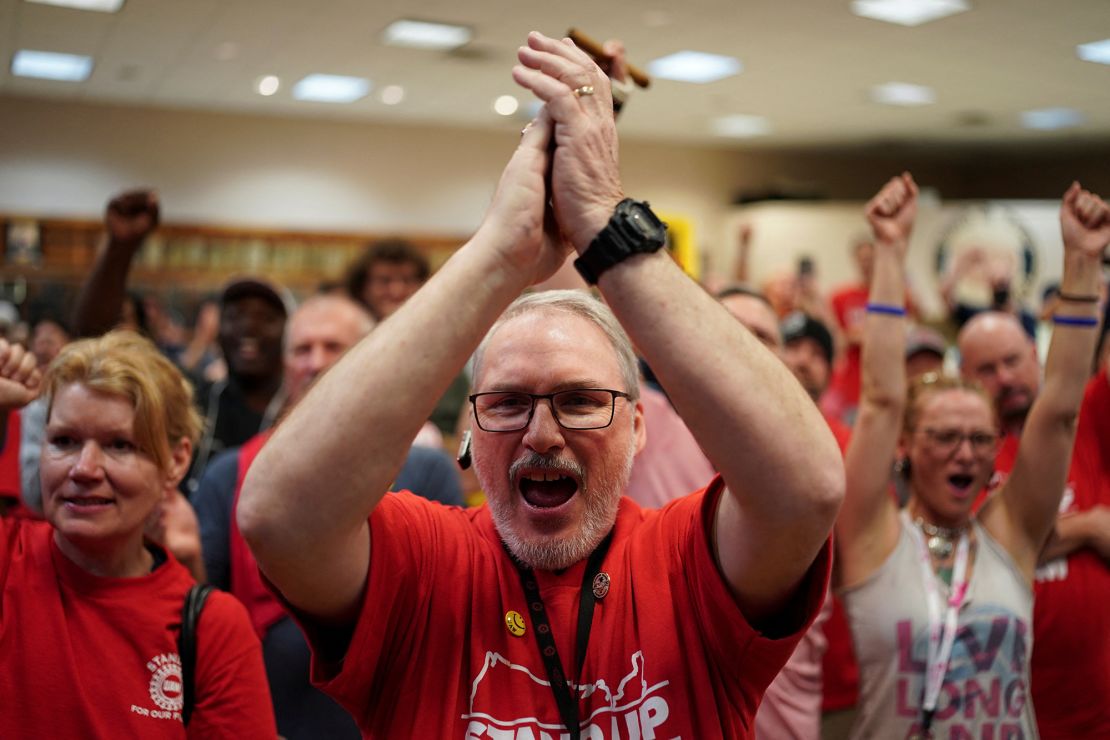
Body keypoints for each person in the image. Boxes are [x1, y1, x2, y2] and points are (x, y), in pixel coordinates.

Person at [238, 32, 841, 738]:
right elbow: (278, 516)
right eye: (507, 403)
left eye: (583, 401)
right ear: (469, 426)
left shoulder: (687, 563)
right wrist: (501, 252)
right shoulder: (427, 565)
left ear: (640, 426)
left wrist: (608, 227)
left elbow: (807, 491)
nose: (543, 433)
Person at [837, 174, 1104, 738]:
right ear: (905, 447)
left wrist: (1082, 262)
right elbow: (883, 400)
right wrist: (889, 249)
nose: (965, 453)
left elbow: (1058, 409)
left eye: (981, 440)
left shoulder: (1009, 534)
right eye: (943, 436)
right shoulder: (872, 537)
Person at [193, 293, 462, 740]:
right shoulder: (231, 475)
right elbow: (208, 614)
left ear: (370, 357)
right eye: (302, 349)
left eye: (334, 347)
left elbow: (449, 613)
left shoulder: (426, 469)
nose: (315, 362)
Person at [0, 331, 275, 738]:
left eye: (119, 445)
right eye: (64, 441)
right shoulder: (8, 560)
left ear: (176, 461)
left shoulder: (212, 630)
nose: (84, 469)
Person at [959, 306, 1110, 739]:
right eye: (987, 369)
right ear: (965, 375)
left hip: (1097, 710)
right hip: (1007, 714)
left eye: (1012, 361)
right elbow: (973, 549)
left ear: (1035, 356)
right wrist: (1088, 528)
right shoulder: (963, 452)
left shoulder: (1084, 424)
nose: (1004, 378)